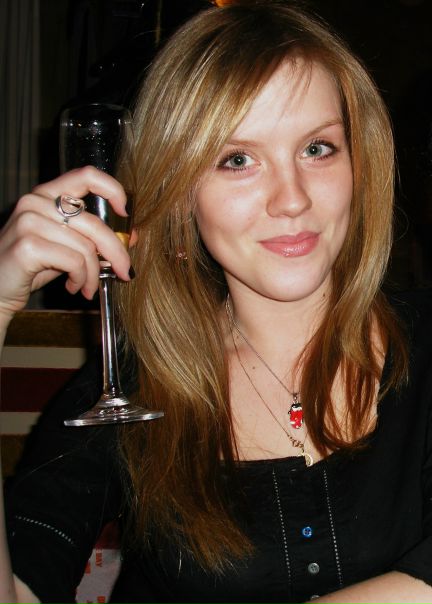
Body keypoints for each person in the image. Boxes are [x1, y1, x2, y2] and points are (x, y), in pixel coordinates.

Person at [1, 1, 432, 602]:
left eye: (317, 148)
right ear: (180, 192)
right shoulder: (129, 389)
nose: (291, 199)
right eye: (237, 160)